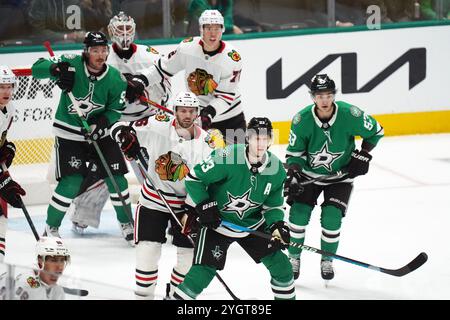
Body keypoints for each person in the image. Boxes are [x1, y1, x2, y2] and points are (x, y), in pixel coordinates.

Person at [69, 11, 172, 234]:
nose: (124, 34)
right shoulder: (104, 58)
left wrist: (144, 89)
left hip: (145, 121)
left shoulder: (149, 55)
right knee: (105, 168)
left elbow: (166, 89)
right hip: (114, 121)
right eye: (120, 29)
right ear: (111, 31)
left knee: (152, 169)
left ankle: (160, 216)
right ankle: (84, 213)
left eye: (128, 29)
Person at [110, 91, 220, 299]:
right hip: (154, 201)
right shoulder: (158, 124)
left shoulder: (206, 143)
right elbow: (119, 127)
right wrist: (125, 137)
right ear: (175, 111)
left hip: (186, 206)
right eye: (183, 110)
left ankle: (174, 294)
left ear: (197, 113)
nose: (187, 115)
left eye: (191, 111)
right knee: (147, 254)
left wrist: (192, 209)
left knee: (188, 262)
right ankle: (144, 296)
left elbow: (206, 181)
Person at [173, 117, 295, 300]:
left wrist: (277, 224)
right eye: (256, 138)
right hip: (217, 223)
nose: (261, 143)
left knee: (283, 268)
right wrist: (204, 204)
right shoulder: (227, 156)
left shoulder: (276, 168)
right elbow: (193, 178)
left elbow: (273, 206)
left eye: (265, 138)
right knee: (201, 274)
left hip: (252, 225)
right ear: (247, 137)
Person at [31, 31, 134, 245]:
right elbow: (36, 68)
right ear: (86, 52)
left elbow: (116, 110)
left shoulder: (115, 78)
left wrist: (102, 123)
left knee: (117, 179)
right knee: (72, 181)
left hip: (101, 134)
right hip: (70, 132)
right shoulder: (70, 63)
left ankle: (127, 224)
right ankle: (51, 228)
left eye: (103, 50)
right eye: (95, 50)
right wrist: (54, 69)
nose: (100, 55)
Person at [284, 74, 384, 282]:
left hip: (340, 178)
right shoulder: (301, 120)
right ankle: (293, 258)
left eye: (328, 95)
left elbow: (376, 131)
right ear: (313, 97)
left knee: (331, 218)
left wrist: (363, 154)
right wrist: (293, 174)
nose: (324, 100)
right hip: (308, 175)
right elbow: (295, 154)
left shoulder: (350, 114)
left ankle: (327, 259)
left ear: (334, 96)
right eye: (320, 96)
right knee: (298, 216)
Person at [138, 9, 246, 144]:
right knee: (198, 162)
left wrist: (210, 112)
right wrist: (141, 80)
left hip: (231, 117)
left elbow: (225, 96)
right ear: (201, 29)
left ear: (222, 30)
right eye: (208, 28)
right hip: (198, 117)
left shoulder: (232, 59)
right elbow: (162, 69)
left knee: (239, 160)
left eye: (217, 28)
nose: (213, 33)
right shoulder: (187, 48)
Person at [0, 65, 26, 263]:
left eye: (9, 86)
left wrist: (6, 148)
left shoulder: (10, 109)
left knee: (1, 217)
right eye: (1, 87)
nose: (7, 91)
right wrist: (3, 182)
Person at [0, 237, 70, 300]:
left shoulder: (57, 291)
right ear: (40, 261)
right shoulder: (31, 286)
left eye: (62, 260)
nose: (60, 267)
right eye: (53, 260)